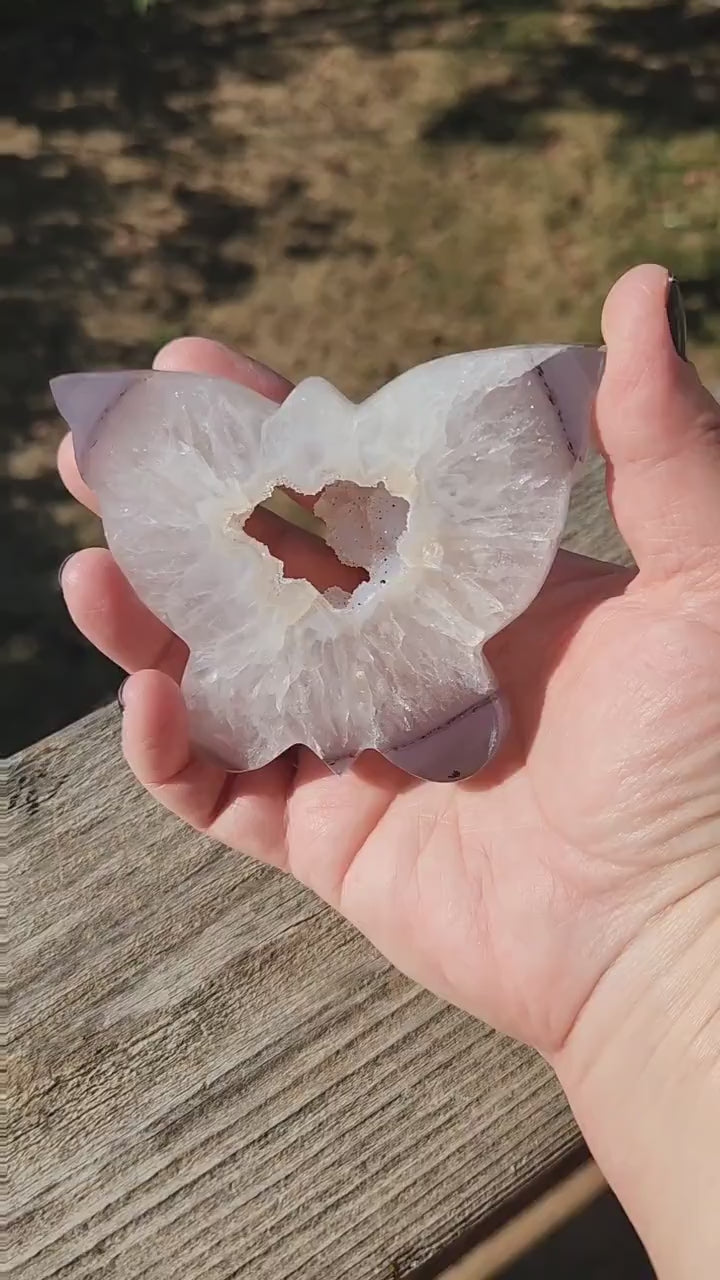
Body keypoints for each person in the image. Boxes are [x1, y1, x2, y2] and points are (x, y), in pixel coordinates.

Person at [58, 263, 719, 1274]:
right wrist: (670, 958)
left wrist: (676, 924)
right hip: (283, 690)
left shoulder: (484, 434)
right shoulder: (236, 683)